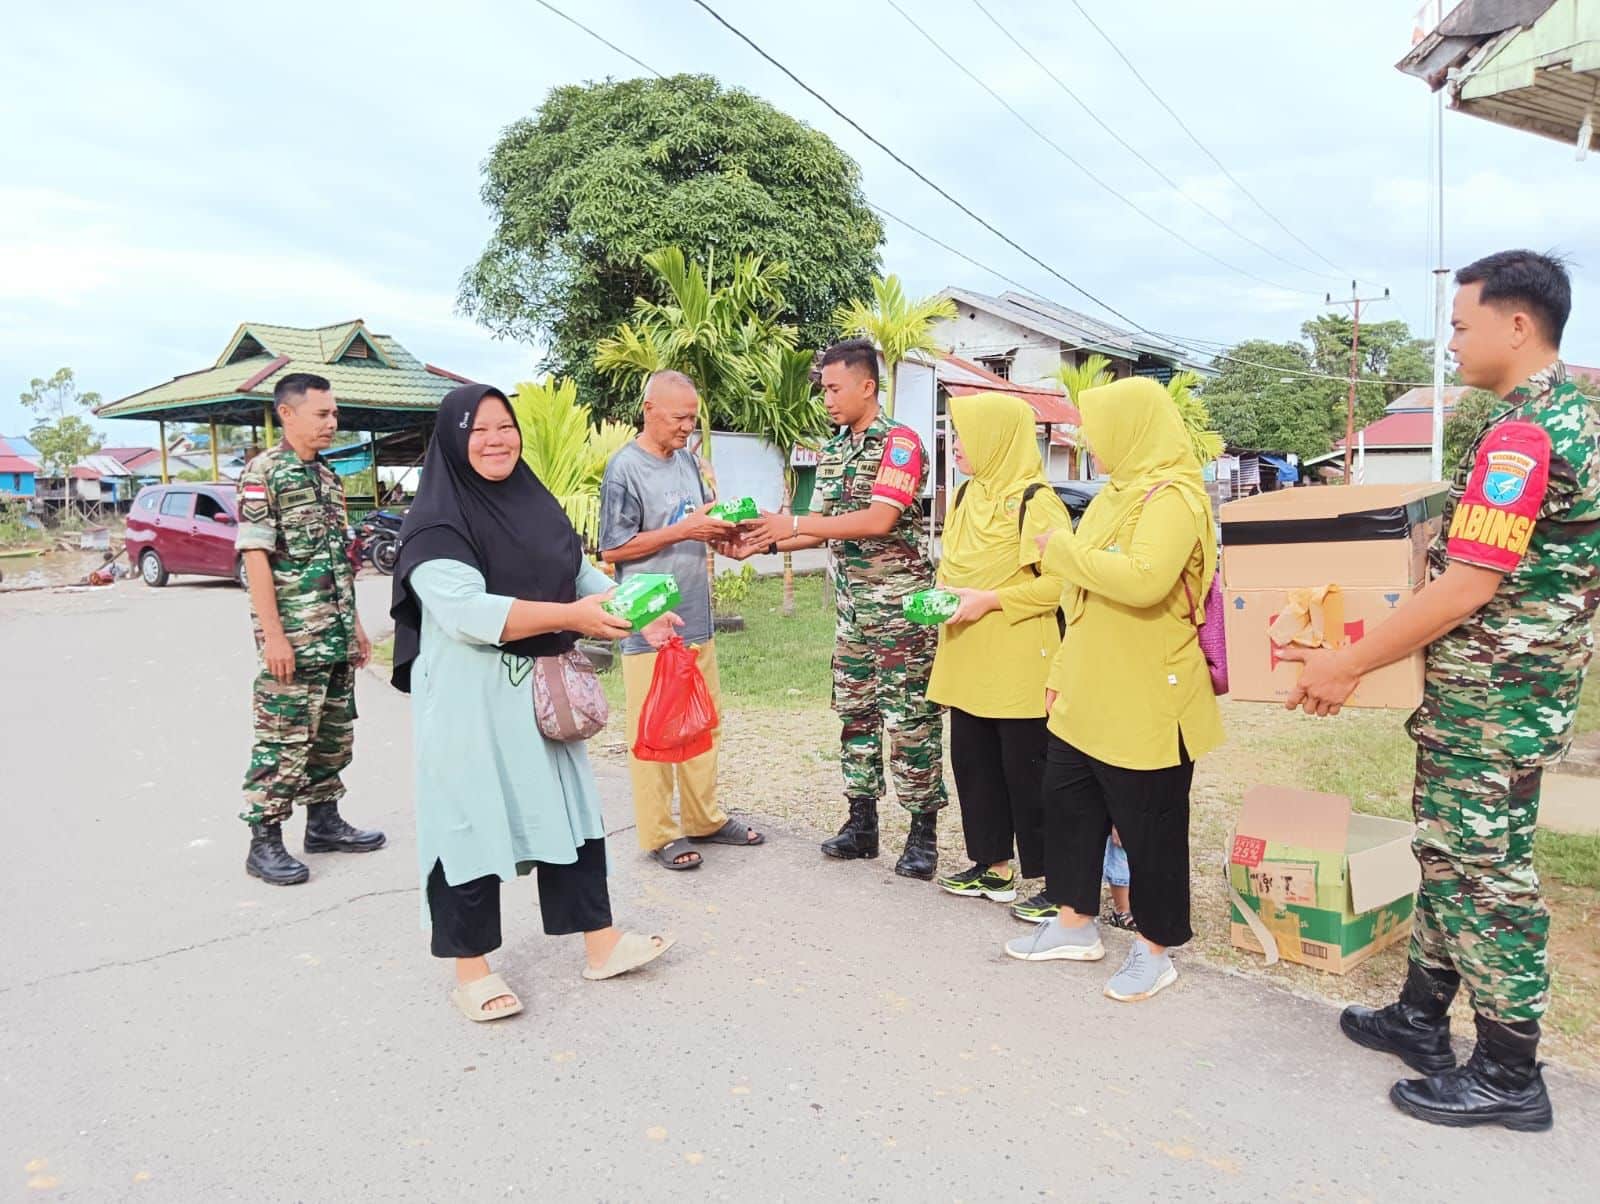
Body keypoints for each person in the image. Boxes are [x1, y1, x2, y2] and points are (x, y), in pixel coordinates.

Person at [1285, 250, 1600, 1131]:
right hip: (1508, 693)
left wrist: (1346, 662)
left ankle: (1508, 1071)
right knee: (1447, 856)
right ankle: (1422, 1018)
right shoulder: (1571, 417)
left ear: (1517, 325)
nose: (1452, 343)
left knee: (1485, 876)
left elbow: (1467, 587)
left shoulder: (1524, 436)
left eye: (1461, 326)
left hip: (1496, 701)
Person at [390, 384, 676, 1022]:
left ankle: (600, 943)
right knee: (467, 822)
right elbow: (466, 611)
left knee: (570, 811)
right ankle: (471, 970)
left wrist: (640, 615)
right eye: (479, 429)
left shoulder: (531, 504)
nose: (497, 440)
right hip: (469, 697)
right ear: (452, 440)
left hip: (542, 685)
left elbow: (575, 573)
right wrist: (573, 616)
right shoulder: (434, 524)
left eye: (505, 426)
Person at [1005, 376, 1223, 1003]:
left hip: (1147, 694)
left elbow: (1145, 581)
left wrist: (1062, 552)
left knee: (1148, 824)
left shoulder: (1175, 498)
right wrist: (1058, 674)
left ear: (1133, 430)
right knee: (1070, 806)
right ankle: (1075, 922)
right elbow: (1079, 594)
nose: (1090, 444)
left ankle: (1154, 949)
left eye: (1098, 433)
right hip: (1087, 687)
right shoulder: (1114, 495)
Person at [742, 339, 947, 879]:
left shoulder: (900, 444)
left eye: (835, 388)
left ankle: (922, 832)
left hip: (902, 609)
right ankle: (863, 823)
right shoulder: (834, 451)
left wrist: (791, 525)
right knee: (855, 715)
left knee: (909, 719)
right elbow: (813, 527)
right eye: (824, 389)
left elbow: (878, 520)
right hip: (854, 610)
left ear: (867, 387)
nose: (827, 398)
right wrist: (759, 542)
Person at [599, 370, 764, 871]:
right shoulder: (623, 470)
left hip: (696, 616)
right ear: (649, 409)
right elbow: (612, 549)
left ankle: (705, 818)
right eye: (679, 418)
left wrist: (722, 535)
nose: (687, 427)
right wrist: (685, 529)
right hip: (649, 623)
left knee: (702, 724)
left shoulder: (689, 463)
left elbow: (691, 525)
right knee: (655, 731)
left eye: (693, 418)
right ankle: (659, 833)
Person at [236, 372, 384, 886]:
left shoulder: (328, 479)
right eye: (322, 414)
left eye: (335, 413)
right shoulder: (264, 473)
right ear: (287, 414)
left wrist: (358, 627)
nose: (332, 423)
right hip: (294, 639)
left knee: (332, 735)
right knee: (283, 739)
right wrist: (273, 636)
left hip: (337, 634)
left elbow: (340, 561)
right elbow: (255, 558)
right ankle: (264, 840)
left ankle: (323, 824)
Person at [923, 392, 1069, 911]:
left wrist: (992, 600)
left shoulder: (1036, 500)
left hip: (1019, 660)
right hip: (967, 654)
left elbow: (1062, 584)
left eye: (965, 436)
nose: (957, 446)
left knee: (1030, 776)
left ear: (997, 439)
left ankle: (1059, 887)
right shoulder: (965, 495)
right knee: (975, 765)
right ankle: (993, 866)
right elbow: (956, 568)